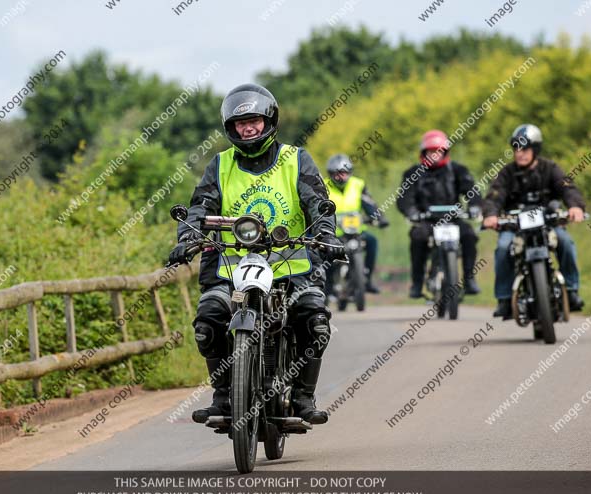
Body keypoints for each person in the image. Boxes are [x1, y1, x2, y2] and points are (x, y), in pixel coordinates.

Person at [167, 83, 343, 424]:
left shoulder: (295, 159)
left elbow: (318, 203)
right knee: (207, 322)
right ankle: (223, 395)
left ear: (268, 120)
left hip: (290, 262)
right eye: (239, 123)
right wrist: (187, 236)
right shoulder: (219, 165)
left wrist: (324, 232)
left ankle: (303, 398)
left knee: (316, 322)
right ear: (230, 128)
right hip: (231, 265)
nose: (247, 128)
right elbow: (200, 206)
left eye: (254, 121)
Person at [483, 124, 586, 318]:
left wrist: (575, 206)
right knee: (503, 248)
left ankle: (571, 291)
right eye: (516, 149)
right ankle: (505, 299)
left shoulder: (550, 168)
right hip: (514, 226)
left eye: (525, 149)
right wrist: (490, 214)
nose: (520, 154)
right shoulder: (506, 173)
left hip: (548, 223)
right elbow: (494, 195)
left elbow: (568, 188)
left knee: (566, 243)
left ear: (536, 149)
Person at [396, 130, 482, 299]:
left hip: (454, 219)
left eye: (439, 151)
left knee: (469, 235)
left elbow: (473, 191)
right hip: (426, 221)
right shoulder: (412, 173)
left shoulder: (458, 170)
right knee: (418, 237)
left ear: (445, 152)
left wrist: (474, 207)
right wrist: (412, 212)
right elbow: (404, 198)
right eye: (431, 151)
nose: (435, 155)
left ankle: (470, 279)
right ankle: (417, 283)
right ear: (423, 153)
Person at [323, 154, 389, 294]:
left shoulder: (358, 184)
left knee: (372, 242)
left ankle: (367, 279)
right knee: (323, 253)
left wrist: (379, 218)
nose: (341, 177)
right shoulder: (323, 186)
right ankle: (326, 287)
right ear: (331, 174)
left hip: (356, 232)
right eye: (337, 174)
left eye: (344, 173)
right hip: (333, 234)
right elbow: (317, 207)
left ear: (350, 172)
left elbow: (369, 204)